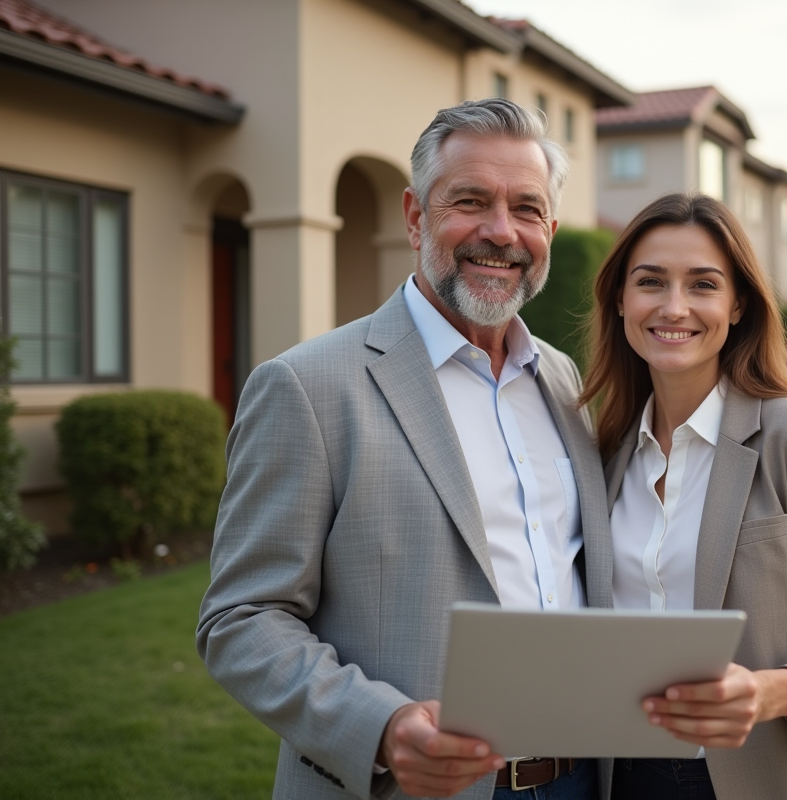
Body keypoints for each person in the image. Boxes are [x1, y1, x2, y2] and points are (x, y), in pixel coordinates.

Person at [197, 98, 612, 800]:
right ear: (416, 215)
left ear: (551, 229)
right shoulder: (306, 385)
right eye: (471, 201)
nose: (500, 231)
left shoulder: (563, 380)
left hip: (577, 780)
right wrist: (382, 726)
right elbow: (242, 619)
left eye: (526, 208)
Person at [579, 193, 787, 799]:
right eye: (651, 281)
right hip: (625, 777)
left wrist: (767, 692)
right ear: (621, 301)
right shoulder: (602, 454)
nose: (674, 306)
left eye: (703, 284)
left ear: (737, 307)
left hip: (773, 778)